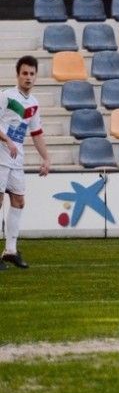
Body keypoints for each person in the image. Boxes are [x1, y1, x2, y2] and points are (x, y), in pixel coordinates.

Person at [0, 56, 51, 270]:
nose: (28, 77)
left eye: (32, 74)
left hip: (16, 157)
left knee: (19, 201)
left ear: (36, 76)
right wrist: (8, 141)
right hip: (1, 154)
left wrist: (46, 158)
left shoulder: (34, 103)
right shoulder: (6, 96)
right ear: (17, 74)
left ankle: (10, 251)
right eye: (24, 73)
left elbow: (36, 133)